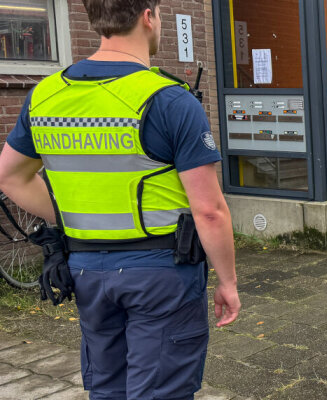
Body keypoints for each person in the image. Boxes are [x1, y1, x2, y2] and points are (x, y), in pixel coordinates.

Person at [0, 0, 240, 397]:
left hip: (87, 272)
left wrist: (69, 217)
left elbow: (9, 175)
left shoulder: (47, 95)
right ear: (149, 16)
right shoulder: (169, 99)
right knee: (160, 390)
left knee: (108, 388)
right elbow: (210, 210)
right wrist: (227, 281)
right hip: (162, 275)